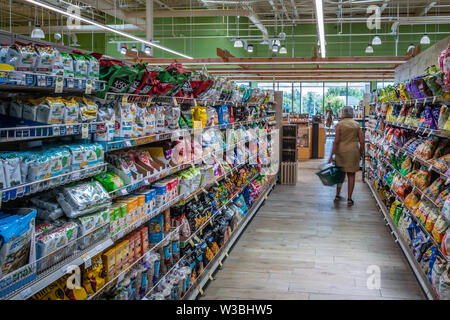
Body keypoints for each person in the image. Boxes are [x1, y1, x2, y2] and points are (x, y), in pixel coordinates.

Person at [328, 106, 364, 206]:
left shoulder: (339, 125)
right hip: (353, 152)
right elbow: (362, 141)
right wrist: (361, 153)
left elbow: (336, 141)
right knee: (351, 175)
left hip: (341, 151)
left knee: (340, 175)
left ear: (343, 113)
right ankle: (349, 198)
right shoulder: (356, 125)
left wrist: (332, 155)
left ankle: (337, 195)